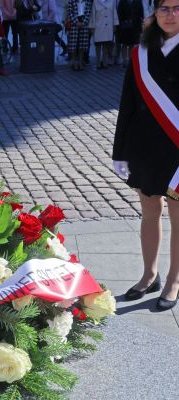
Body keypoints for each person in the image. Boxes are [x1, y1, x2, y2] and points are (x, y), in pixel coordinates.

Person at [113, 0, 179, 311]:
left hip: (177, 151)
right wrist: (119, 153)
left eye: (178, 8)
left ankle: (174, 281)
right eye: (165, 7)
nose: (171, 14)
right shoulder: (140, 52)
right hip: (144, 148)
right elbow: (127, 104)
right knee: (149, 211)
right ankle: (149, 274)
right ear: (154, 13)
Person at [89, 0, 120, 69]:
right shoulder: (95, 2)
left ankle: (104, 62)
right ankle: (97, 63)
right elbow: (92, 15)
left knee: (106, 45)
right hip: (98, 26)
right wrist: (92, 26)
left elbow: (114, 13)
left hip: (108, 26)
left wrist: (115, 24)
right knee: (98, 45)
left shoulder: (111, 2)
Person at [67, 0, 95, 70]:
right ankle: (74, 62)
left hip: (84, 23)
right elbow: (70, 13)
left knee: (82, 44)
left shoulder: (88, 1)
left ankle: (80, 62)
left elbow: (89, 13)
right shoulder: (71, 1)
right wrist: (76, 22)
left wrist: (84, 22)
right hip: (74, 23)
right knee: (73, 44)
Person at [116, 0, 144, 67]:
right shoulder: (122, 1)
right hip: (124, 26)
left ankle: (130, 61)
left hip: (135, 26)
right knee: (124, 44)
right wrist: (120, 25)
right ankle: (124, 61)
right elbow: (119, 14)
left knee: (132, 44)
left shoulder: (138, 1)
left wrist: (141, 25)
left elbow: (141, 14)